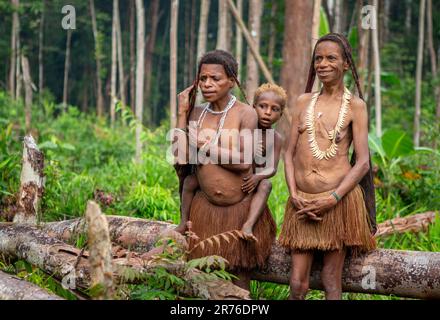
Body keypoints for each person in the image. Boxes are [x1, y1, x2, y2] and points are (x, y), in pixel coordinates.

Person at [279, 33, 376, 300]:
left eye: (331, 58)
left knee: (331, 280)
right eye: (318, 58)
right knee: (297, 283)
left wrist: (333, 198)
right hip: (302, 203)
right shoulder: (302, 102)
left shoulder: (356, 106)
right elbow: (288, 154)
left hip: (338, 203)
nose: (322, 64)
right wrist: (294, 195)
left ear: (346, 64)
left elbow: (363, 163)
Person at [173, 50, 276, 290]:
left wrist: (202, 145)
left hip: (239, 212)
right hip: (204, 212)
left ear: (231, 80)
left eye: (215, 78)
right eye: (203, 79)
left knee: (239, 283)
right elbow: (180, 157)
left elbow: (242, 162)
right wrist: (181, 113)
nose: (207, 84)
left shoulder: (245, 113)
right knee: (202, 282)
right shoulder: (195, 113)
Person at [175, 83, 286, 242]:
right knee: (190, 181)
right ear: (253, 107)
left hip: (249, 182)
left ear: (281, 114)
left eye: (274, 109)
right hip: (228, 174)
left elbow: (272, 168)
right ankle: (183, 221)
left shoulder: (275, 138)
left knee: (266, 185)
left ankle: (248, 224)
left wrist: (257, 177)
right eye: (263, 106)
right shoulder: (240, 125)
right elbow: (225, 151)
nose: (267, 112)